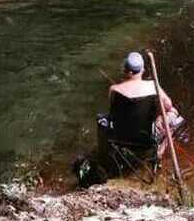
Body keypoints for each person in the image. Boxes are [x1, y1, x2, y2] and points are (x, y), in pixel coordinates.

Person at [76, 50, 185, 185]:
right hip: (147, 137)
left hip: (120, 136)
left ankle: (106, 159)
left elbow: (113, 112)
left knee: (102, 119)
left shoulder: (114, 89)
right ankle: (159, 154)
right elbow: (168, 105)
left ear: (125, 70)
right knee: (173, 113)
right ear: (143, 70)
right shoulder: (152, 86)